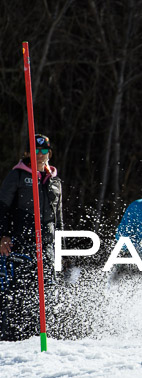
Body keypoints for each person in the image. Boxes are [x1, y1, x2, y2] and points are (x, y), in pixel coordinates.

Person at [0, 134, 63, 341]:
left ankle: (42, 335)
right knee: (20, 290)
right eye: (35, 150)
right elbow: (3, 208)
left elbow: (58, 218)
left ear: (49, 153)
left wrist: (61, 247)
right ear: (27, 153)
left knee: (46, 290)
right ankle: (14, 337)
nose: (39, 154)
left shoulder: (55, 180)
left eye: (43, 151)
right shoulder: (17, 175)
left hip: (47, 244)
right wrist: (3, 235)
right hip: (22, 240)